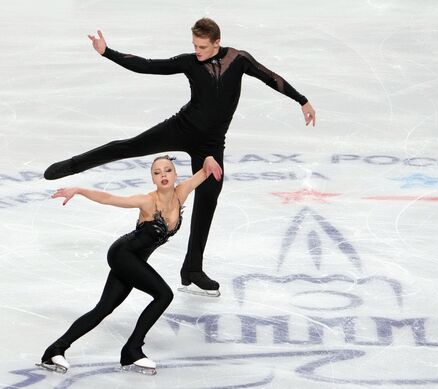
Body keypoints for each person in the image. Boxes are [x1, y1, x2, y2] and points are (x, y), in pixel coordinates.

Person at [43, 18, 316, 296]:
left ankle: (192, 269)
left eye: (202, 46)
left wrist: (302, 100)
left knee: (209, 197)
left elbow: (272, 78)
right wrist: (107, 52)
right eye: (194, 45)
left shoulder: (238, 59)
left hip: (210, 145)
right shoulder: (189, 62)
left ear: (217, 43)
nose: (197, 51)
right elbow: (149, 66)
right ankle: (72, 166)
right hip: (181, 128)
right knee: (129, 146)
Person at [37, 155, 223, 375]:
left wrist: (210, 158)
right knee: (164, 295)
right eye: (157, 172)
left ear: (175, 174)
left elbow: (204, 172)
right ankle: (132, 350)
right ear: (153, 179)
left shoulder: (181, 193)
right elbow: (109, 199)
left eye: (167, 170)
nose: (163, 175)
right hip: (122, 254)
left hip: (134, 260)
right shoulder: (147, 201)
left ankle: (54, 350)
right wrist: (79, 190)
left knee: (103, 309)